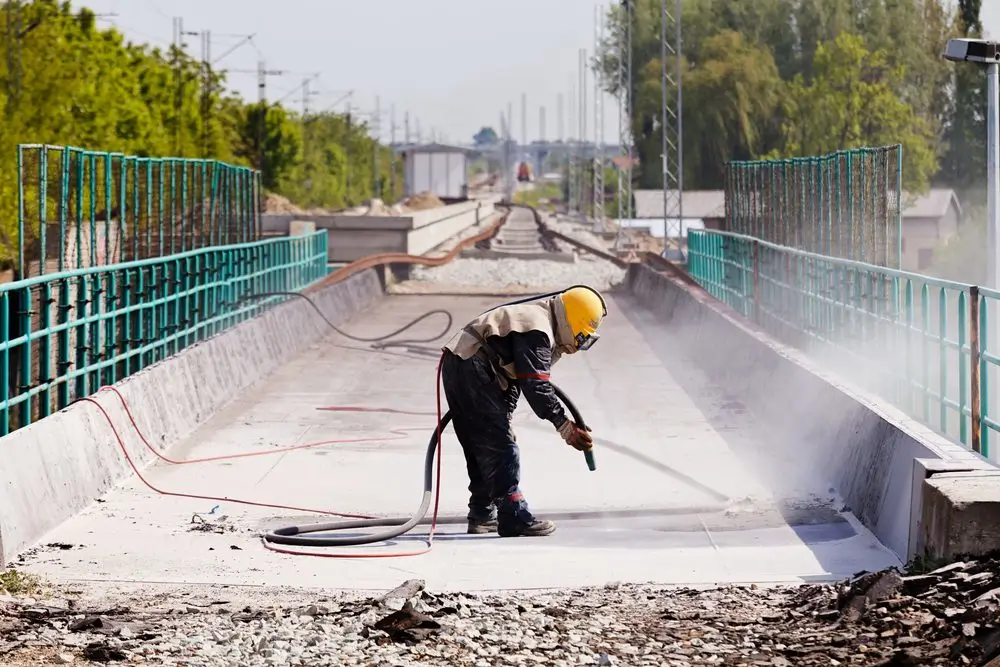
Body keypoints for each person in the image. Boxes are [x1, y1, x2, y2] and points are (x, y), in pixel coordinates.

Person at [440, 285, 607, 537]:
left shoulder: (538, 321)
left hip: (461, 365)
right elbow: (536, 385)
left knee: (483, 445)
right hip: (473, 367)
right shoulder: (538, 330)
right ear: (574, 322)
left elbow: (517, 379)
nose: (577, 346)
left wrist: (504, 415)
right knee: (501, 447)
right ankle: (514, 516)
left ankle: (482, 514)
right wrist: (564, 426)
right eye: (581, 338)